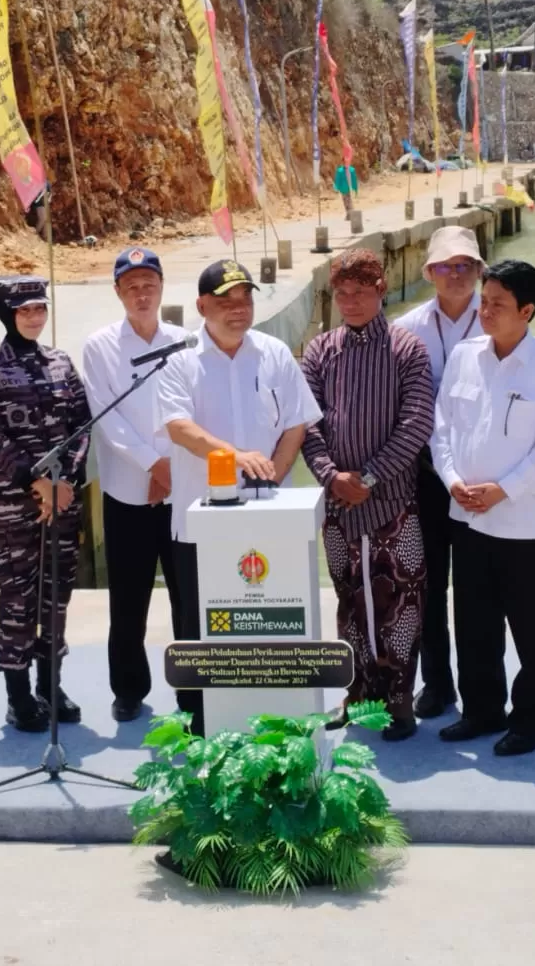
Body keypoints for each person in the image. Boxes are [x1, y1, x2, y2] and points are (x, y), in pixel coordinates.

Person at [158, 259, 322, 734]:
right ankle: (197, 723)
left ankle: (279, 720)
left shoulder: (273, 353)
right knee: (199, 628)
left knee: (273, 619)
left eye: (245, 299)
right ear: (201, 306)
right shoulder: (179, 359)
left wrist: (275, 473)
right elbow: (180, 428)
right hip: (200, 522)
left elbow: (296, 423)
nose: (238, 309)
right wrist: (238, 458)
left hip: (270, 519)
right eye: (226, 301)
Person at [430, 260, 535, 756]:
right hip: (466, 516)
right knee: (473, 623)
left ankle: (531, 721)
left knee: (532, 632)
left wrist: (501, 490)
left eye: (498, 304)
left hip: (523, 523)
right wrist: (451, 480)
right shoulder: (465, 356)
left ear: (528, 310)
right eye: (483, 301)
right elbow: (442, 428)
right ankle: (482, 710)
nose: (485, 311)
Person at [301, 250, 434, 742]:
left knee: (401, 603)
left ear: (381, 289)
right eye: (342, 293)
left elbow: (417, 422)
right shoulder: (319, 351)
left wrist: (370, 478)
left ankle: (399, 700)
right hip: (337, 507)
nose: (351, 302)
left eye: (361, 292)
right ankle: (357, 696)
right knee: (350, 602)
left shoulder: (406, 349)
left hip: (393, 503)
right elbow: (307, 424)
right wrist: (331, 476)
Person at [0, 277, 91, 732]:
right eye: (25, 311)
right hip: (11, 505)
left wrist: (67, 480)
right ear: (6, 314)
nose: (35, 317)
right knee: (18, 598)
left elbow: (82, 424)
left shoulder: (61, 363)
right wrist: (37, 483)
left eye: (40, 308)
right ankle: (18, 695)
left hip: (61, 503)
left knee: (56, 596)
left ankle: (49, 684)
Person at [79, 248, 188, 723]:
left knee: (189, 598)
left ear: (162, 287)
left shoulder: (186, 341)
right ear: (118, 292)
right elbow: (109, 419)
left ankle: (192, 690)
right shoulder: (99, 345)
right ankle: (128, 688)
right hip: (127, 492)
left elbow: (190, 409)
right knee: (128, 600)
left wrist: (171, 468)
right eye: (132, 287)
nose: (142, 294)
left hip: (183, 489)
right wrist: (153, 465)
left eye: (149, 285)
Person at [391, 225, 485, 720]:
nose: (456, 274)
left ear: (479, 271)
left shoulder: (496, 321)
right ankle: (436, 683)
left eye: (465, 265)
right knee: (428, 584)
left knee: (475, 588)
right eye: (447, 266)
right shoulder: (406, 329)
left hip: (477, 476)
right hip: (424, 475)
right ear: (428, 272)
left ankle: (479, 686)